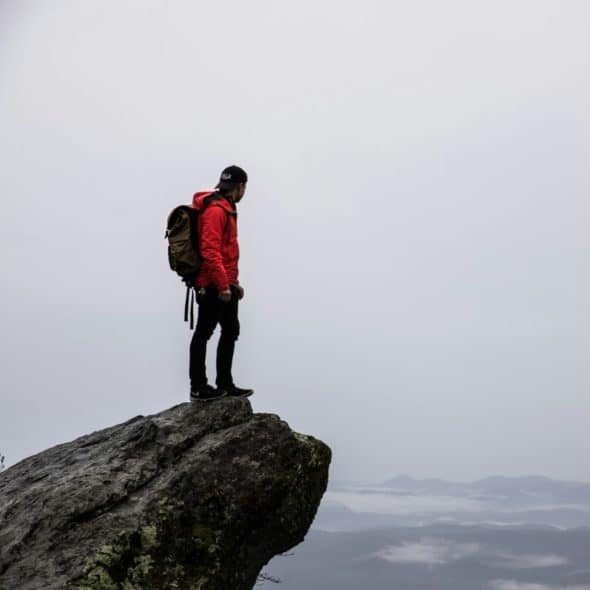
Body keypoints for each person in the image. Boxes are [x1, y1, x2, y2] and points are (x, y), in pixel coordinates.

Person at [189, 165, 254, 402]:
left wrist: (233, 283)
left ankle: (225, 384)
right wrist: (223, 285)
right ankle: (199, 387)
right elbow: (210, 250)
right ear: (240, 186)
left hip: (224, 282)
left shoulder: (226, 208)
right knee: (204, 332)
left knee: (231, 330)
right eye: (244, 187)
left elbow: (226, 252)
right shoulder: (216, 210)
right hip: (212, 283)